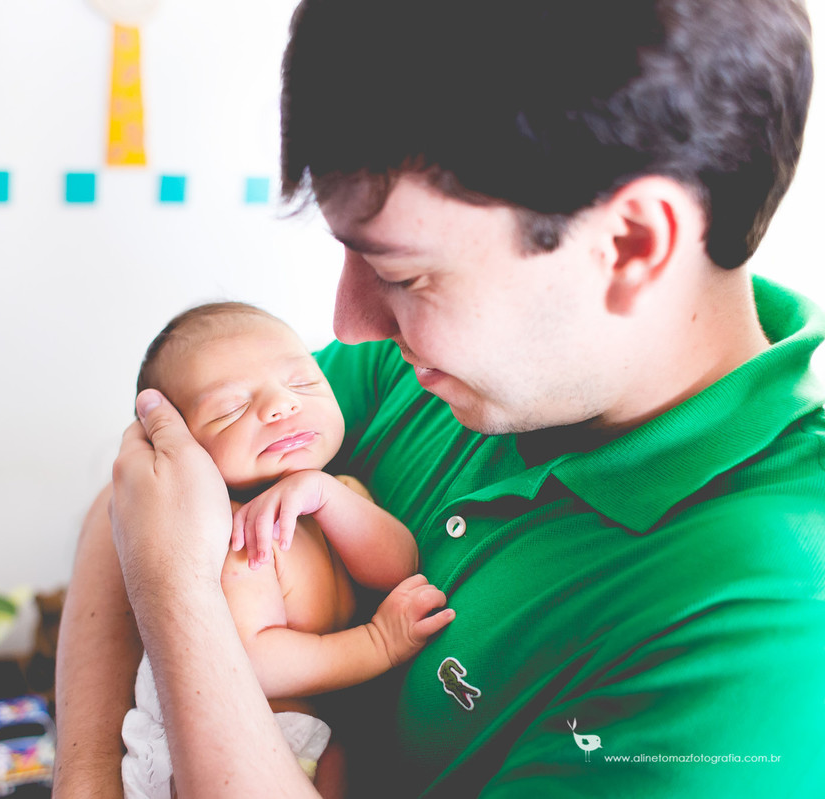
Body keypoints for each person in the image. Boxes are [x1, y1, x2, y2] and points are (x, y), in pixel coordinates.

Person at [55, 0, 825, 796]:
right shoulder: (433, 370)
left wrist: (174, 593)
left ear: (631, 245)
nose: (350, 327)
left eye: (403, 275)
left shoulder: (764, 632)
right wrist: (83, 778)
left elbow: (154, 541)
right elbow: (143, 480)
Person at [118, 301, 454, 798]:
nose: (281, 405)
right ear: (181, 449)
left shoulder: (340, 490)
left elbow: (397, 567)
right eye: (230, 407)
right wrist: (377, 643)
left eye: (304, 383)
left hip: (311, 741)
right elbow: (251, 662)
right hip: (242, 744)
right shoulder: (233, 536)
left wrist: (327, 495)